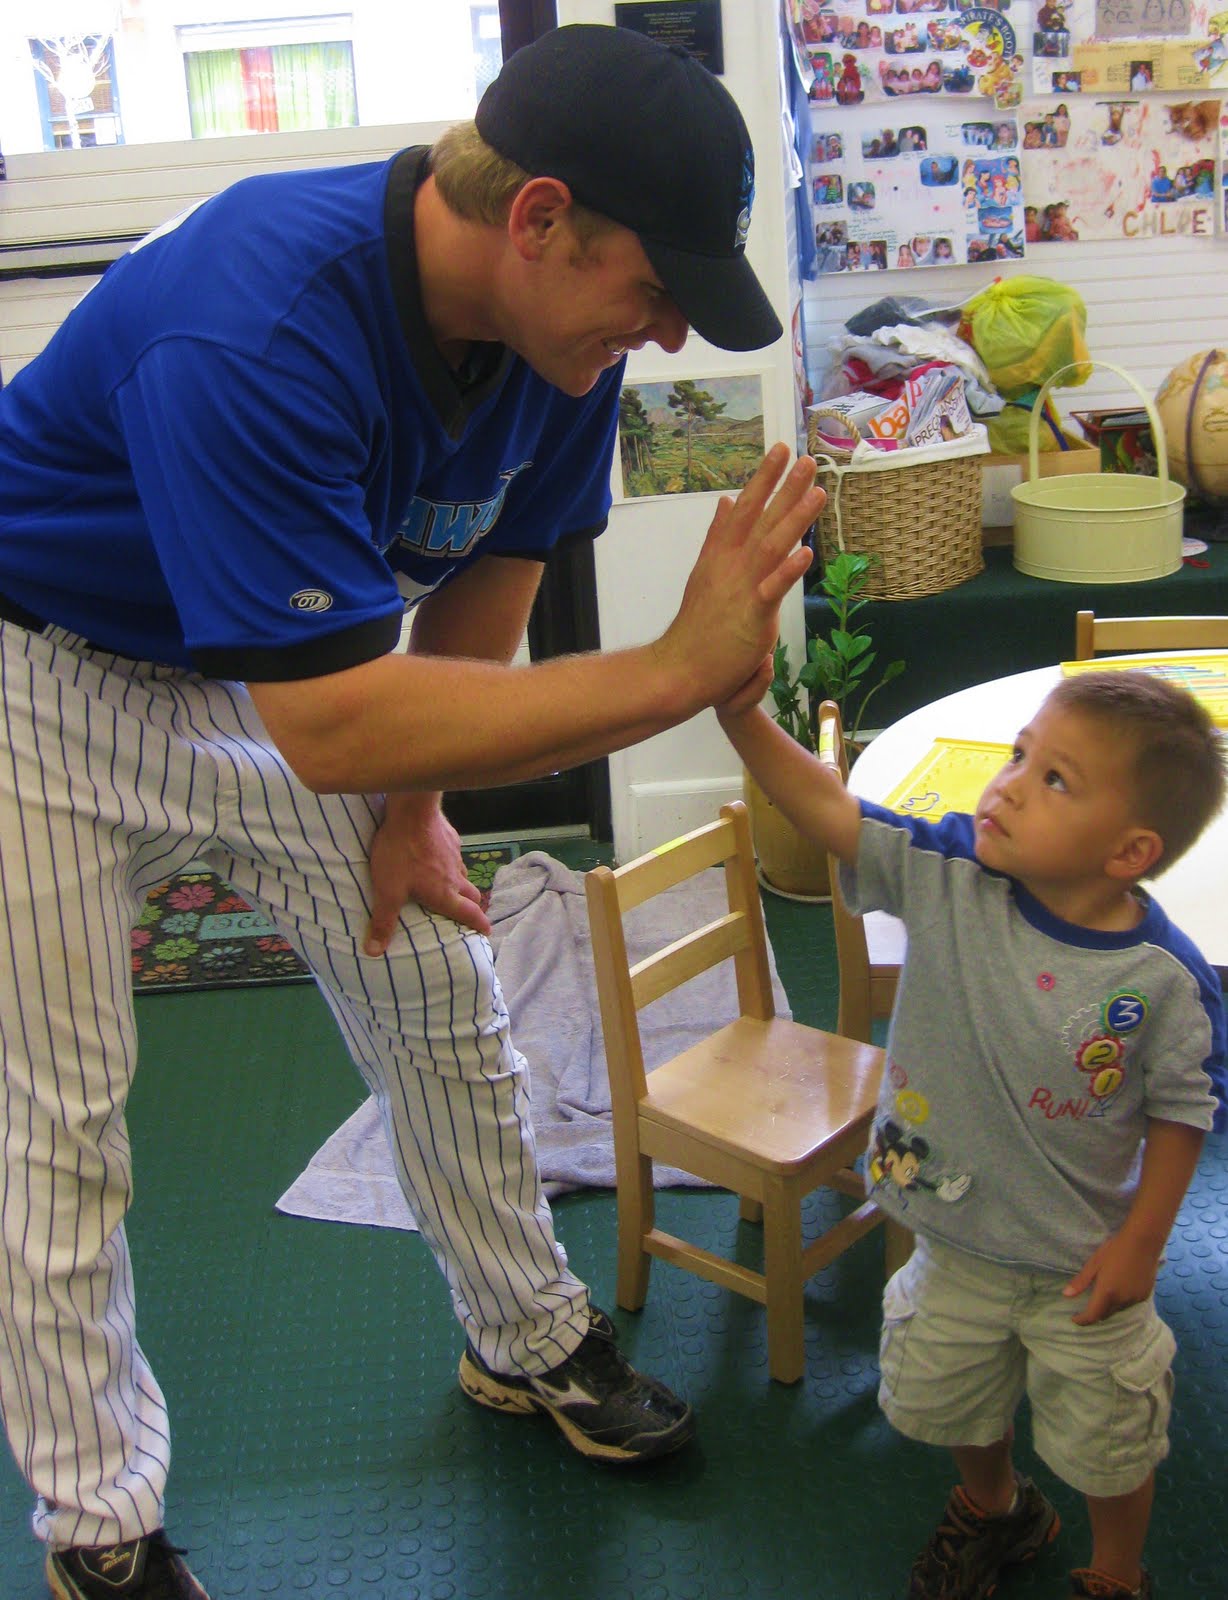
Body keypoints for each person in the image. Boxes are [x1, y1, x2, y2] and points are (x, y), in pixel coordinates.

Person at [0, 24, 823, 1600]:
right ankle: (98, 1522)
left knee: (438, 984)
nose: (664, 332)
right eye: (655, 286)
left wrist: (415, 808)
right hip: (39, 685)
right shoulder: (251, 320)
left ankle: (526, 1336)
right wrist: (674, 671)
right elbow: (330, 725)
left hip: (270, 675)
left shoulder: (560, 349)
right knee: (57, 1123)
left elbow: (487, 585)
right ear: (540, 219)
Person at [717, 669, 1227, 1600]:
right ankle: (999, 1508)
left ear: (1129, 851)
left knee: (1112, 1442)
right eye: (1020, 755)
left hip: (1082, 1269)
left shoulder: (1164, 979)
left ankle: (1117, 1571)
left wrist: (1142, 1245)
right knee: (950, 1398)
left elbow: (1183, 1110)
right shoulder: (949, 872)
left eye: (1055, 779)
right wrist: (739, 712)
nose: (1010, 784)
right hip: (951, 1240)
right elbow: (829, 810)